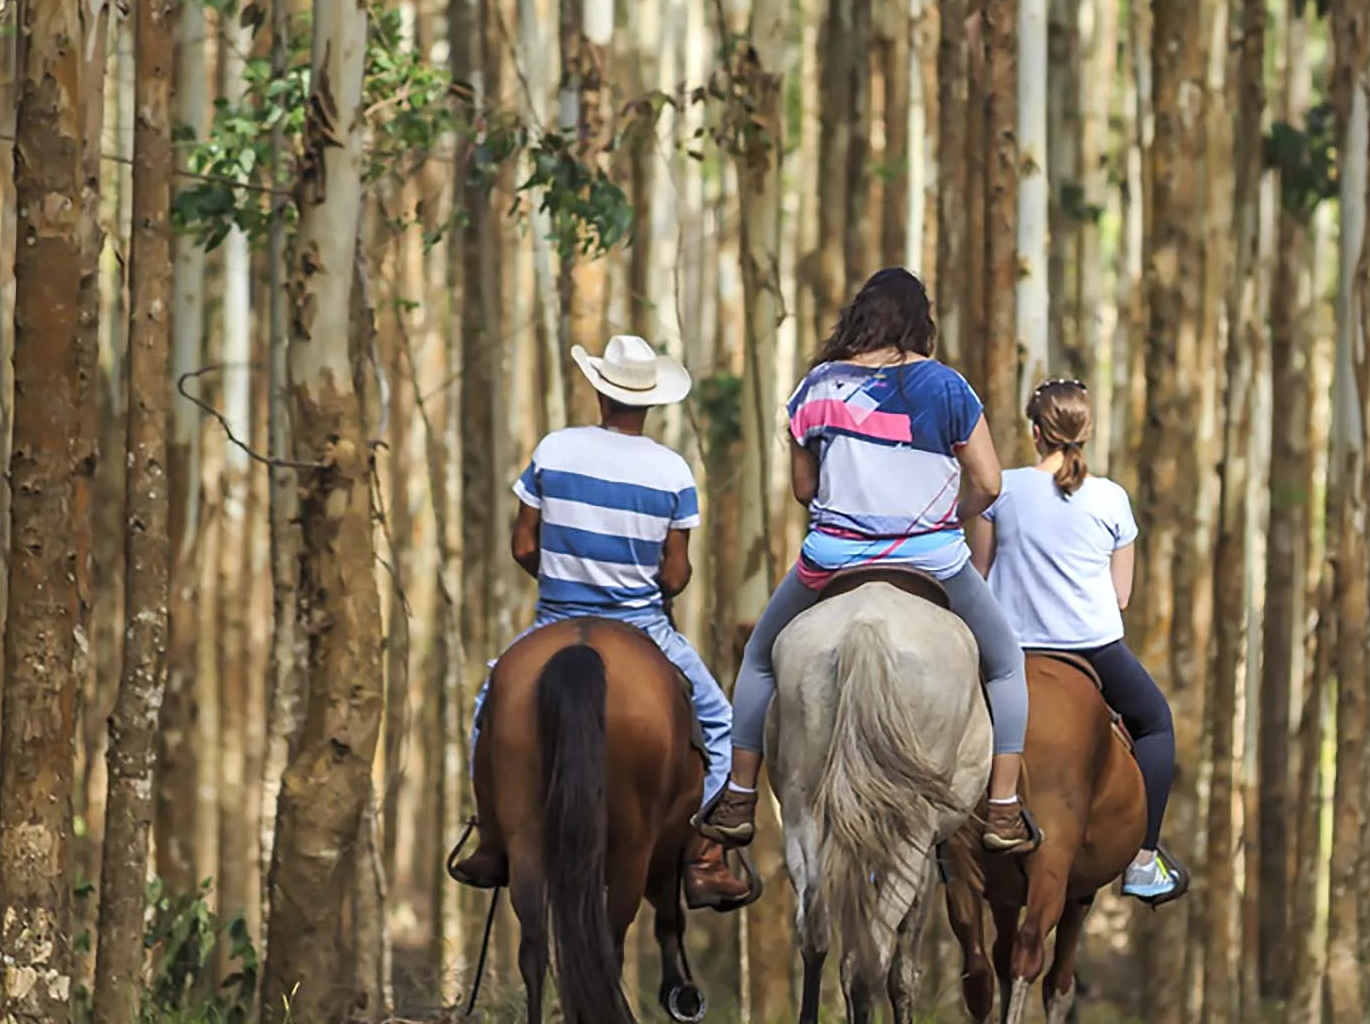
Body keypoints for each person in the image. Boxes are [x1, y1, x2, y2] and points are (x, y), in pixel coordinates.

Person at [695, 268, 1034, 854]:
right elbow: (990, 482)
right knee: (1006, 664)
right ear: (920, 322)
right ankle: (1003, 808)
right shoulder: (948, 386)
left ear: (861, 317)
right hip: (931, 556)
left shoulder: (819, 386)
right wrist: (952, 513)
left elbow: (804, 490)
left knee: (759, 659)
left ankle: (740, 794)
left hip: (832, 556)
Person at [451, 334, 753, 912]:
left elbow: (522, 545)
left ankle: (490, 838)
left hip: (555, 617)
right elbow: (676, 573)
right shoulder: (672, 471)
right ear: (651, 401)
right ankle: (705, 858)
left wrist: (559, 576)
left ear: (600, 392)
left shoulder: (554, 449)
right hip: (642, 626)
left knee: (488, 706)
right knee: (721, 724)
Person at [966, 378, 1184, 905]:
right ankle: (1143, 861)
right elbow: (1121, 595)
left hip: (1011, 649)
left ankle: (919, 846)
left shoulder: (1003, 489)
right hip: (1093, 647)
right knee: (1156, 722)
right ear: (1085, 433)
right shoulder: (1112, 498)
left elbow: (980, 573)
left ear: (1035, 432)